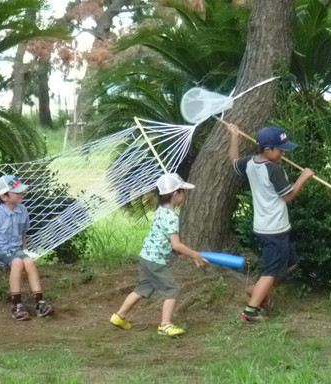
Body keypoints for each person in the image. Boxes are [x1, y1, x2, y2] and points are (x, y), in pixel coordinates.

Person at [227, 124, 314, 322]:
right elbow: (288, 196)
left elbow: (233, 161)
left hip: (266, 227)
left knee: (291, 262)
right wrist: (304, 177)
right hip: (274, 229)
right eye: (280, 149)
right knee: (272, 271)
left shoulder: (250, 163)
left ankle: (257, 290)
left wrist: (233, 136)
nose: (283, 153)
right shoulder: (274, 170)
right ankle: (250, 312)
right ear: (267, 149)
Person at [109, 173, 208, 337]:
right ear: (175, 194)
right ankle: (165, 325)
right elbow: (176, 244)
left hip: (146, 256)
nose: (184, 195)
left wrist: (187, 253)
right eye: (183, 191)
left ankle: (119, 316)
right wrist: (195, 255)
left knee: (143, 288)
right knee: (172, 289)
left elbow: (168, 241)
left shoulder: (161, 211)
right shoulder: (171, 216)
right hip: (156, 261)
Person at [0, 174, 54, 321]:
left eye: (21, 191)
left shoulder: (22, 210)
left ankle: (40, 303)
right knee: (17, 262)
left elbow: (22, 231)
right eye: (16, 192)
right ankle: (16, 305)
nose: (21, 194)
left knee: (28, 262)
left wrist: (24, 249)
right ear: (4, 197)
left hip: (16, 250)